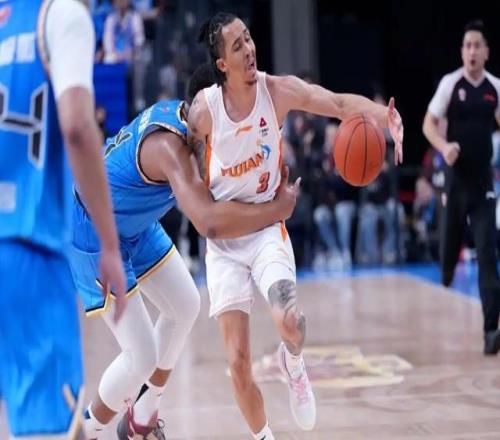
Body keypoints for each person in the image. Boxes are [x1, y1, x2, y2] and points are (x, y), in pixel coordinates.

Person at [189, 12, 404, 439]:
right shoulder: (204, 112)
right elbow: (183, 155)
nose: (249, 49)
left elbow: (337, 104)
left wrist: (384, 117)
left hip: (267, 228)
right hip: (225, 243)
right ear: (222, 64)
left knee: (290, 321)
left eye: (249, 39)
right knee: (237, 363)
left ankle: (294, 361)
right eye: (237, 46)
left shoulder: (276, 92)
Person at [70, 63, 299, 439]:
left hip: (133, 223)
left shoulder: (199, 131)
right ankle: (87, 431)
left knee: (186, 304)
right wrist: (277, 209)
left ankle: (142, 419)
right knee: (141, 355)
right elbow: (208, 221)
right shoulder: (169, 147)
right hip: (94, 229)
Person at [0, 0, 126, 438]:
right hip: (27, 251)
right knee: (52, 430)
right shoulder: (61, 15)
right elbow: (76, 126)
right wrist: (109, 244)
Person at [422, 20, 500, 355]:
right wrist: (443, 147)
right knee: (448, 253)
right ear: (462, 51)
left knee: (487, 254)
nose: (471, 51)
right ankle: (446, 269)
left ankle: (491, 331)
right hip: (455, 183)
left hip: (483, 185)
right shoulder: (450, 84)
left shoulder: (495, 88)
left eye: (477, 45)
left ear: (486, 52)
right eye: (467, 45)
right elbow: (427, 125)